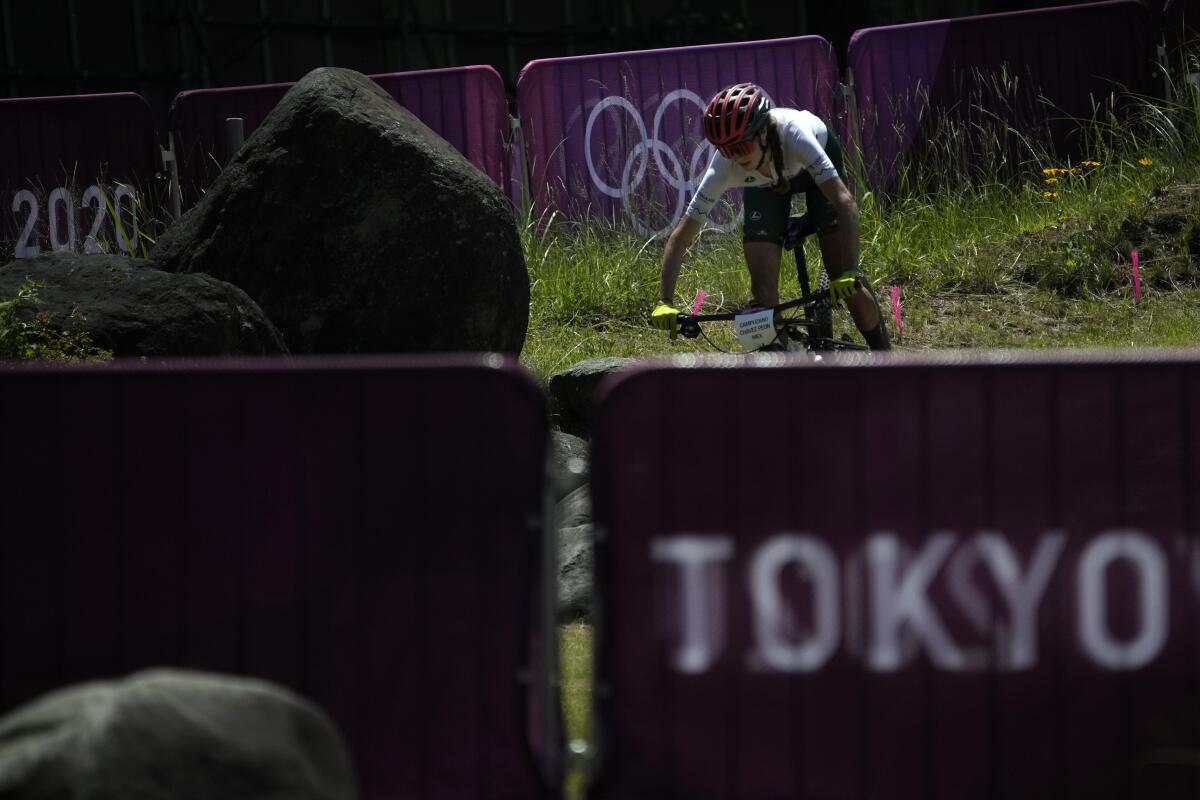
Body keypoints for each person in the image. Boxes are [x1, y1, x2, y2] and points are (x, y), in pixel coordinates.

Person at [650, 82, 891, 351]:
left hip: (812, 175)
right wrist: (665, 302)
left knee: (842, 279)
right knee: (763, 295)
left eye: (741, 147)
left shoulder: (795, 134)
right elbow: (681, 237)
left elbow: (845, 203)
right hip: (765, 186)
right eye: (726, 149)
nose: (735, 157)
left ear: (763, 131)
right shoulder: (725, 165)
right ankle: (781, 371)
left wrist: (851, 270)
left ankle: (886, 360)